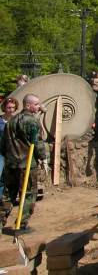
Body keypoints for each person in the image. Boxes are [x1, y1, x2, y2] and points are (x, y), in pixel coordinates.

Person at [0, 94, 47, 232]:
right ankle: (22, 223)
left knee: (8, 194)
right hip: (26, 163)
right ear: (28, 105)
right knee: (28, 194)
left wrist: (7, 157)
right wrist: (43, 158)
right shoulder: (32, 121)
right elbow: (37, 143)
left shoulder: (11, 121)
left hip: (11, 164)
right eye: (36, 104)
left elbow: (3, 144)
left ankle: (1, 220)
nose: (38, 107)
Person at [0, 97, 19, 202]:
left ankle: (11, 197)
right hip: (1, 152)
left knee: (13, 176)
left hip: (14, 152)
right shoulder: (0, 120)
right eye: (8, 107)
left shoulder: (17, 120)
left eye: (13, 107)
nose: (10, 110)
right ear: (4, 108)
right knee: (1, 175)